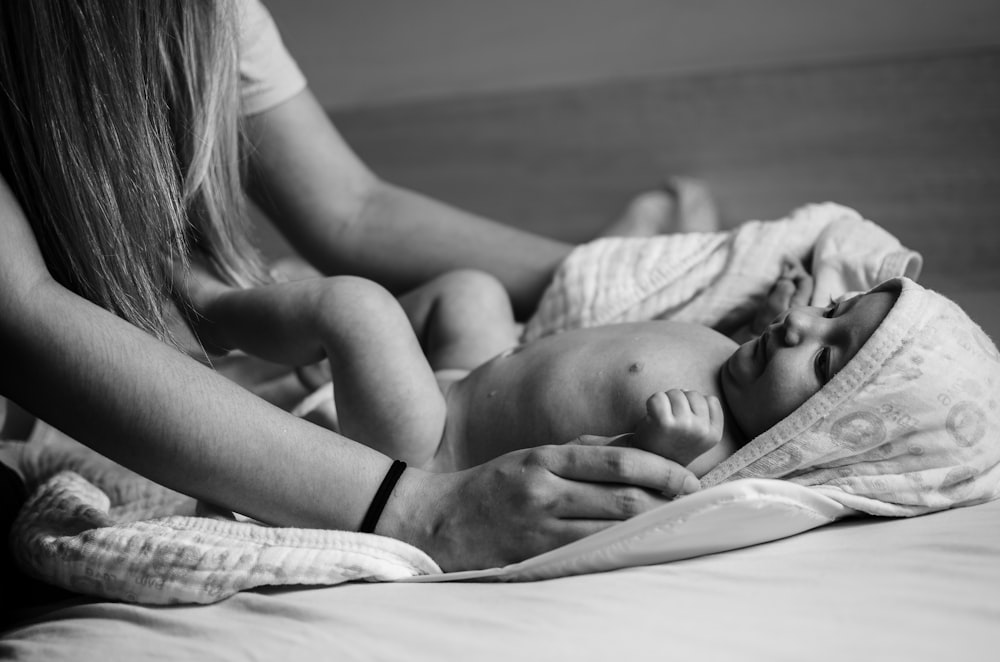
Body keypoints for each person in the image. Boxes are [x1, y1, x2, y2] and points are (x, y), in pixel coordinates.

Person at [0, 0, 709, 577]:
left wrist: (639, 267)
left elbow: (351, 208)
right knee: (357, 306)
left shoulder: (203, 16)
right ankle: (217, 314)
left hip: (433, 416)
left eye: (828, 344)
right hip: (415, 443)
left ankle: (621, 244)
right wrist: (416, 510)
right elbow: (23, 316)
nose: (807, 331)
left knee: (469, 292)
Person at [183, 255, 897, 483]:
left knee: (356, 310)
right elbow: (721, 346)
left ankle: (199, 308)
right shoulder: (745, 367)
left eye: (826, 355)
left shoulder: (706, 447)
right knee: (474, 292)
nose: (804, 326)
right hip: (464, 382)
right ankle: (308, 379)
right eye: (834, 308)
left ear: (821, 431)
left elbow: (589, 479)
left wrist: (652, 452)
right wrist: (767, 317)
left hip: (430, 449)